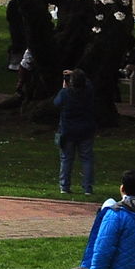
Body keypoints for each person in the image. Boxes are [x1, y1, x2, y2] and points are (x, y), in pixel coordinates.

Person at [55, 68, 98, 196]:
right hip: (86, 130)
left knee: (66, 159)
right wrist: (77, 74)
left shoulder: (66, 94)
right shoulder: (88, 92)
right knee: (86, 159)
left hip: (68, 131)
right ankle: (87, 188)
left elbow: (56, 103)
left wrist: (64, 87)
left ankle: (64, 186)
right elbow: (88, 83)